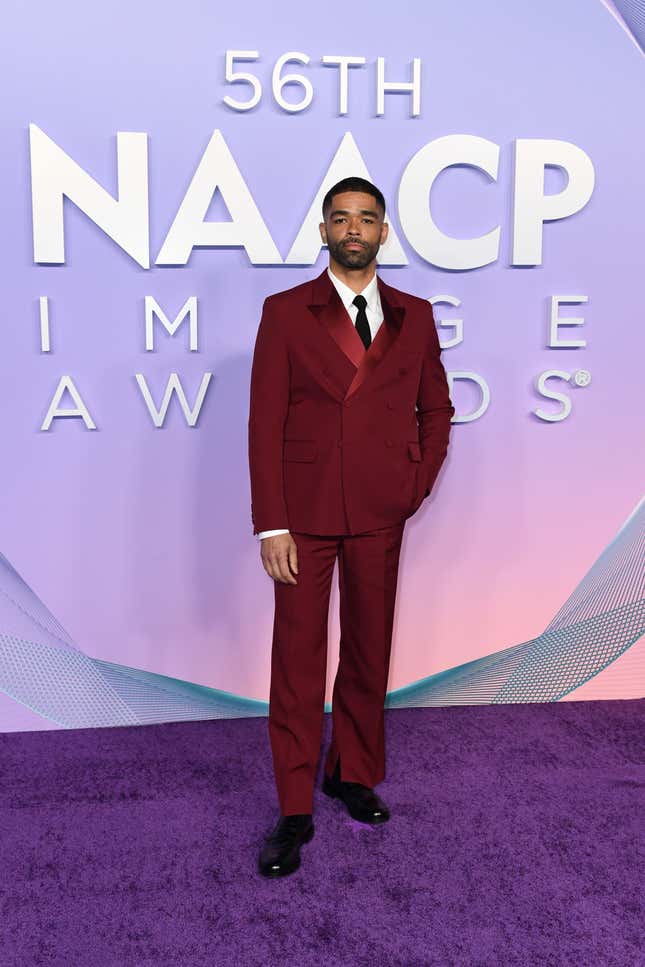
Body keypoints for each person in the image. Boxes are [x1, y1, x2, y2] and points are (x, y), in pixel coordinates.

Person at [247, 176, 454, 877]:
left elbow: (437, 409)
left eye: (366, 218)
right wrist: (270, 522)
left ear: (385, 231)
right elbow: (264, 421)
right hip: (301, 517)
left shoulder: (415, 315)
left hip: (378, 511)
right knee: (297, 661)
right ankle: (293, 805)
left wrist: (413, 484)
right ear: (324, 230)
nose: (354, 229)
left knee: (369, 649)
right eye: (341, 218)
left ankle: (352, 772)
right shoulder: (284, 312)